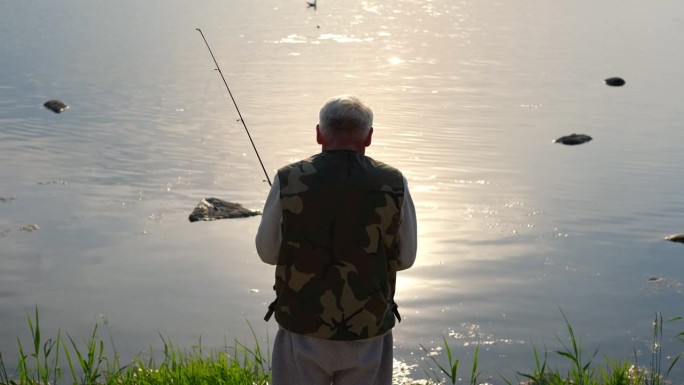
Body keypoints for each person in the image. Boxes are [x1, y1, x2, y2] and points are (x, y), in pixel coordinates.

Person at [255, 94, 417, 385]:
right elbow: (406, 258)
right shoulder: (394, 182)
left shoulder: (287, 178)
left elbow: (268, 253)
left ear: (319, 133)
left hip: (303, 326)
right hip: (367, 330)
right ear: (369, 137)